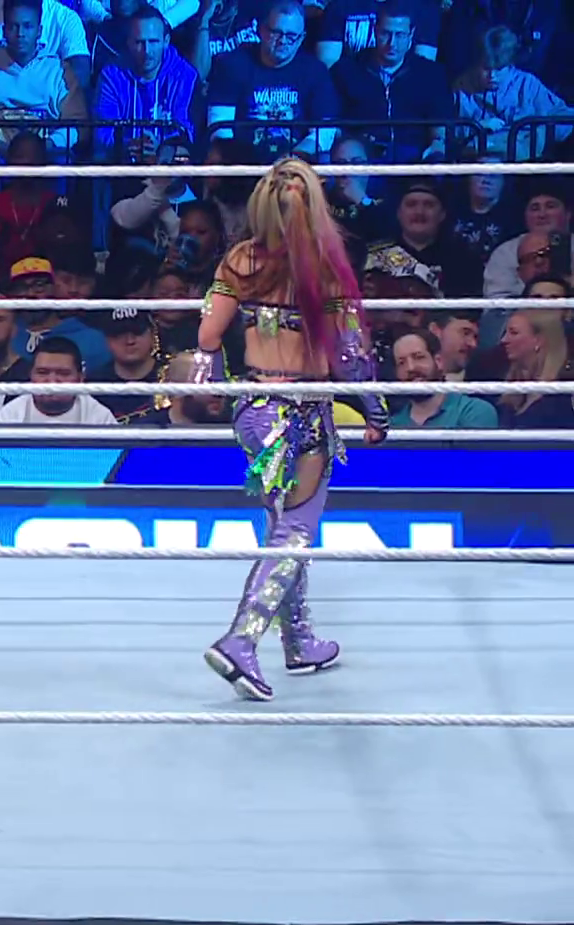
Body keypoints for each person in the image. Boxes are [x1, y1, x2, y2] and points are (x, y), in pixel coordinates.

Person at [192, 157, 388, 702]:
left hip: (254, 409)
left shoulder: (239, 259)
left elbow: (207, 335)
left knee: (282, 523)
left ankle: (298, 640)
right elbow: (350, 357)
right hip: (303, 412)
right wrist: (375, 410)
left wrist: (216, 379)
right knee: (296, 529)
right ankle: (241, 639)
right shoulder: (327, 268)